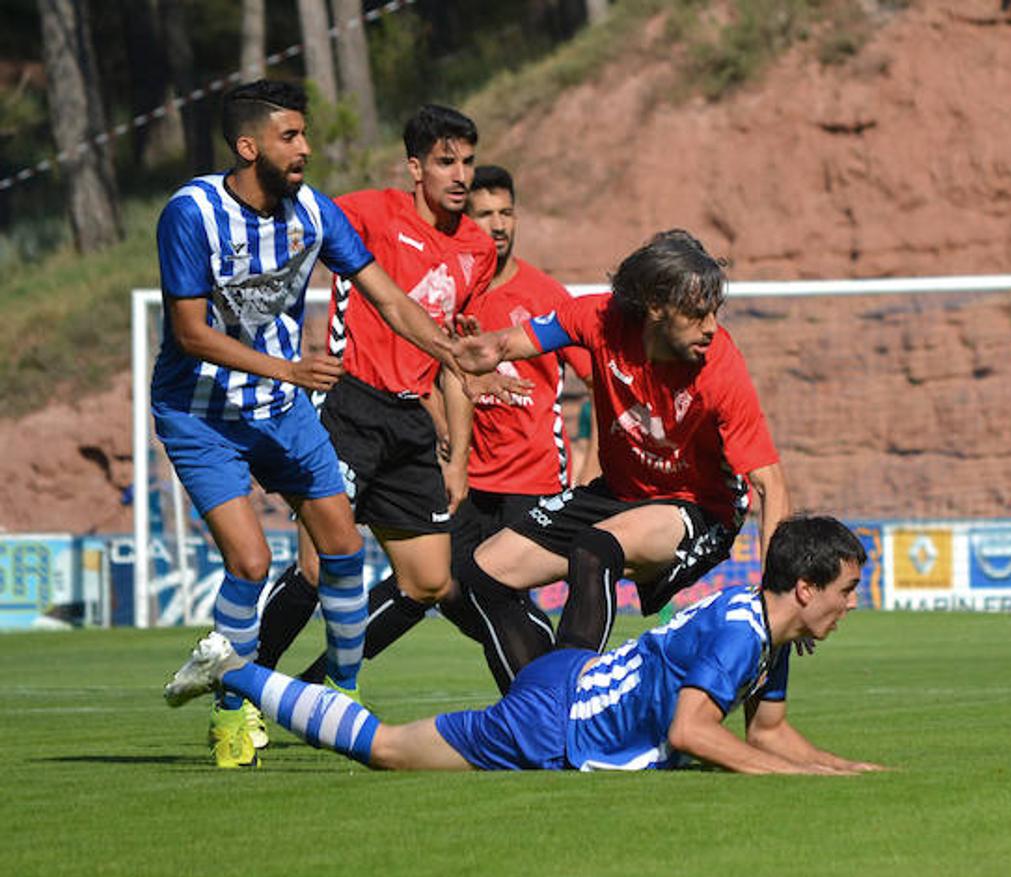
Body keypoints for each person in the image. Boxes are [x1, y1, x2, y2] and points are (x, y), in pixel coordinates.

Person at [153, 81, 462, 766]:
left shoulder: (314, 213)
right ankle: (230, 712)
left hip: (281, 413)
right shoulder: (192, 213)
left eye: (304, 135)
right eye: (290, 136)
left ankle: (342, 699)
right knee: (252, 561)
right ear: (248, 145)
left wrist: (450, 352)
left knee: (345, 552)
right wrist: (288, 368)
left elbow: (387, 296)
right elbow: (189, 334)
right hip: (200, 413)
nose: (306, 148)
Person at [164, 515, 881, 774]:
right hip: (552, 722)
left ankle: (234, 668)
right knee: (384, 749)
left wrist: (844, 767)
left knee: (390, 745)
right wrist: (787, 777)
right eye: (846, 589)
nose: (852, 604)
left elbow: (771, 729)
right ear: (806, 587)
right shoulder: (740, 633)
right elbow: (689, 731)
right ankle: (233, 667)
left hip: (575, 679)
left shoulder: (768, 631)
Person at [290, 164, 594, 692]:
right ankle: (319, 687)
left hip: (532, 477)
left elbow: (599, 380)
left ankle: (550, 693)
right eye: (483, 215)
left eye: (505, 212)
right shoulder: (441, 297)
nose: (496, 226)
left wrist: (592, 467)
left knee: (495, 595)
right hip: (463, 477)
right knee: (433, 588)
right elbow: (421, 376)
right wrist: (449, 422)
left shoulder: (545, 296)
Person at [254, 105, 514, 685]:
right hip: (348, 407)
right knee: (319, 565)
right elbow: (292, 224)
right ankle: (246, 687)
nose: (460, 175)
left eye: (468, 162)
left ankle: (307, 691)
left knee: (427, 580)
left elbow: (450, 358)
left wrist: (460, 459)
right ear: (415, 168)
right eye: (446, 162)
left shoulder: (476, 249)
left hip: (410, 424)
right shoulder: (371, 212)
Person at [454, 228, 792, 658]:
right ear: (654, 307)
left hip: (699, 508)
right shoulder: (598, 318)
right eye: (696, 314)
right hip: (619, 494)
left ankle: (571, 698)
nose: (711, 328)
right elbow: (507, 342)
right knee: (482, 574)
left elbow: (772, 484)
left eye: (715, 313)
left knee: (595, 548)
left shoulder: (721, 368)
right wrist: (479, 353)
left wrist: (775, 598)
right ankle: (545, 709)